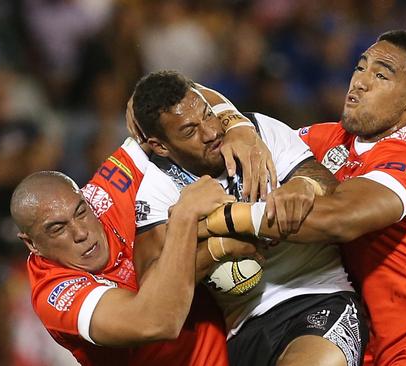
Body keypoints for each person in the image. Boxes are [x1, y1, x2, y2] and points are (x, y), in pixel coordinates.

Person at [199, 30, 406, 365]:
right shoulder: (330, 139)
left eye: (380, 74)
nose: (360, 81)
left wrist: (222, 219)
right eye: (360, 68)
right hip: (385, 350)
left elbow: (339, 219)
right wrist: (237, 125)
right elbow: (194, 97)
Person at [130, 71, 368, 366]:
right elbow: (155, 291)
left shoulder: (257, 131)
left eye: (208, 114)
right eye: (190, 131)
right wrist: (218, 247)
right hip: (244, 328)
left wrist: (304, 185)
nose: (210, 132)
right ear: (161, 146)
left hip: (320, 295)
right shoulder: (157, 188)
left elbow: (333, 196)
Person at [10, 146, 235, 366]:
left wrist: (238, 127)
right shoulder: (55, 293)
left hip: (236, 343)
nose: (81, 233)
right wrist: (195, 227)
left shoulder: (107, 192)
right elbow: (157, 322)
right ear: (32, 244)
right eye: (57, 229)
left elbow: (154, 118)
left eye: (81, 212)